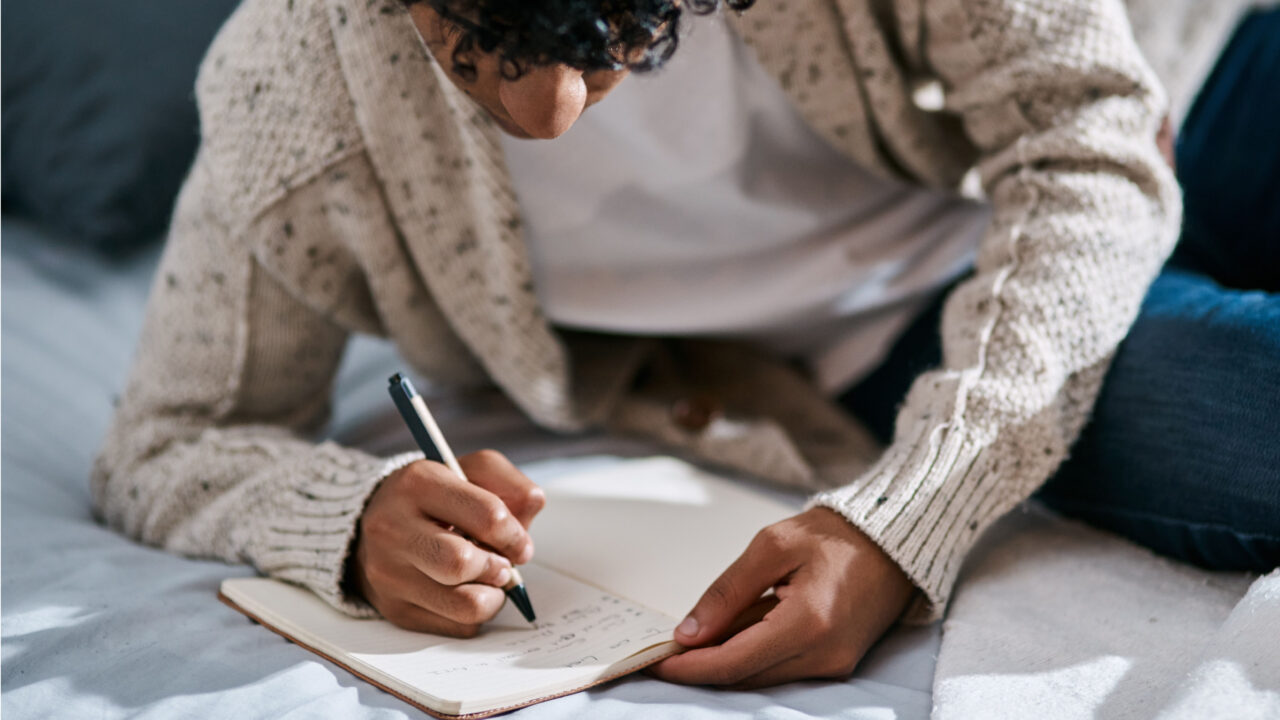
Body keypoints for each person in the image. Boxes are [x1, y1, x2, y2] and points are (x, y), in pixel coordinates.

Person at [91, 0, 1275, 690]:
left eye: (611, 33)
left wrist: (907, 513)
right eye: (467, 40)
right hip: (910, 328)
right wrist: (345, 520)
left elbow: (1084, 132)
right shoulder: (288, 90)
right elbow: (167, 439)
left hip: (1175, 88)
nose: (546, 109)